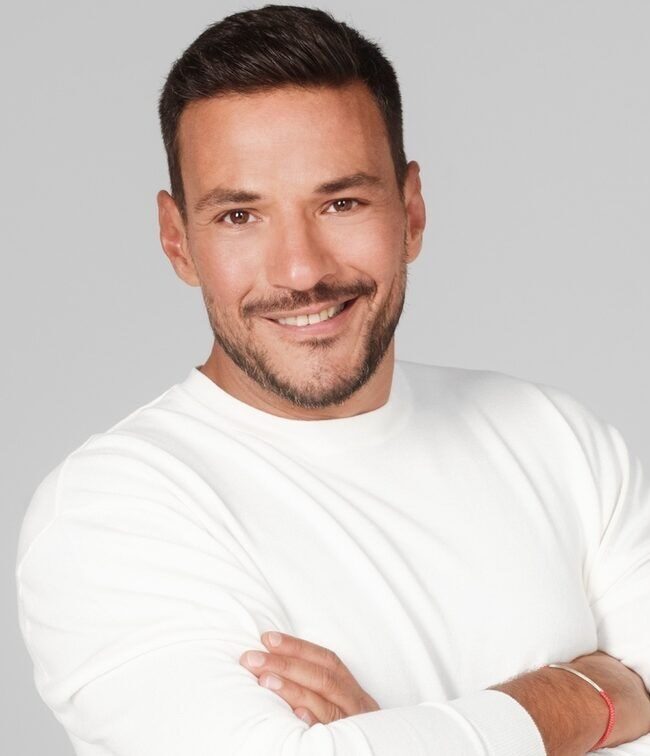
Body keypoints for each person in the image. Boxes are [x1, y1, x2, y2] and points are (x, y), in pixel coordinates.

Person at [15, 5, 650, 755]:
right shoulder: (112, 513)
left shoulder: (556, 440)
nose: (301, 270)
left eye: (341, 203)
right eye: (240, 216)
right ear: (177, 241)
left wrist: (392, 735)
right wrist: (589, 698)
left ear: (411, 212)